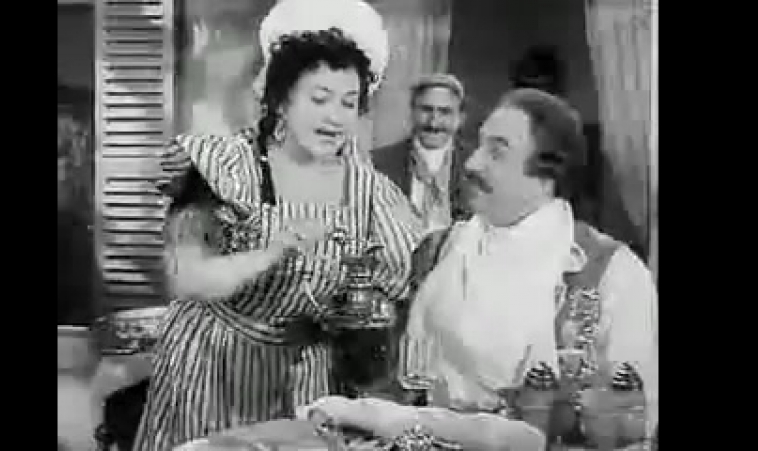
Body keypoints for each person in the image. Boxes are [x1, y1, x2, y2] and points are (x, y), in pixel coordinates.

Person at [133, 1, 423, 449]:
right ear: (281, 101)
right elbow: (188, 276)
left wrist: (362, 319)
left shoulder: (373, 194)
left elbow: (396, 288)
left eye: (349, 103)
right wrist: (271, 251)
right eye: (319, 99)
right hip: (212, 370)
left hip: (307, 380)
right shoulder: (225, 167)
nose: (335, 117)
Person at [404, 88, 658, 446]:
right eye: (478, 145)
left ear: (546, 176)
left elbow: (632, 426)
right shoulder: (438, 251)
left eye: (497, 152)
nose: (472, 163)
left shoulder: (612, 275)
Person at [371, 74, 472, 232]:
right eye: (426, 110)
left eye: (444, 112)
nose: (434, 122)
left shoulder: (474, 166)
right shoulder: (378, 165)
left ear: (460, 118)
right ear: (412, 112)